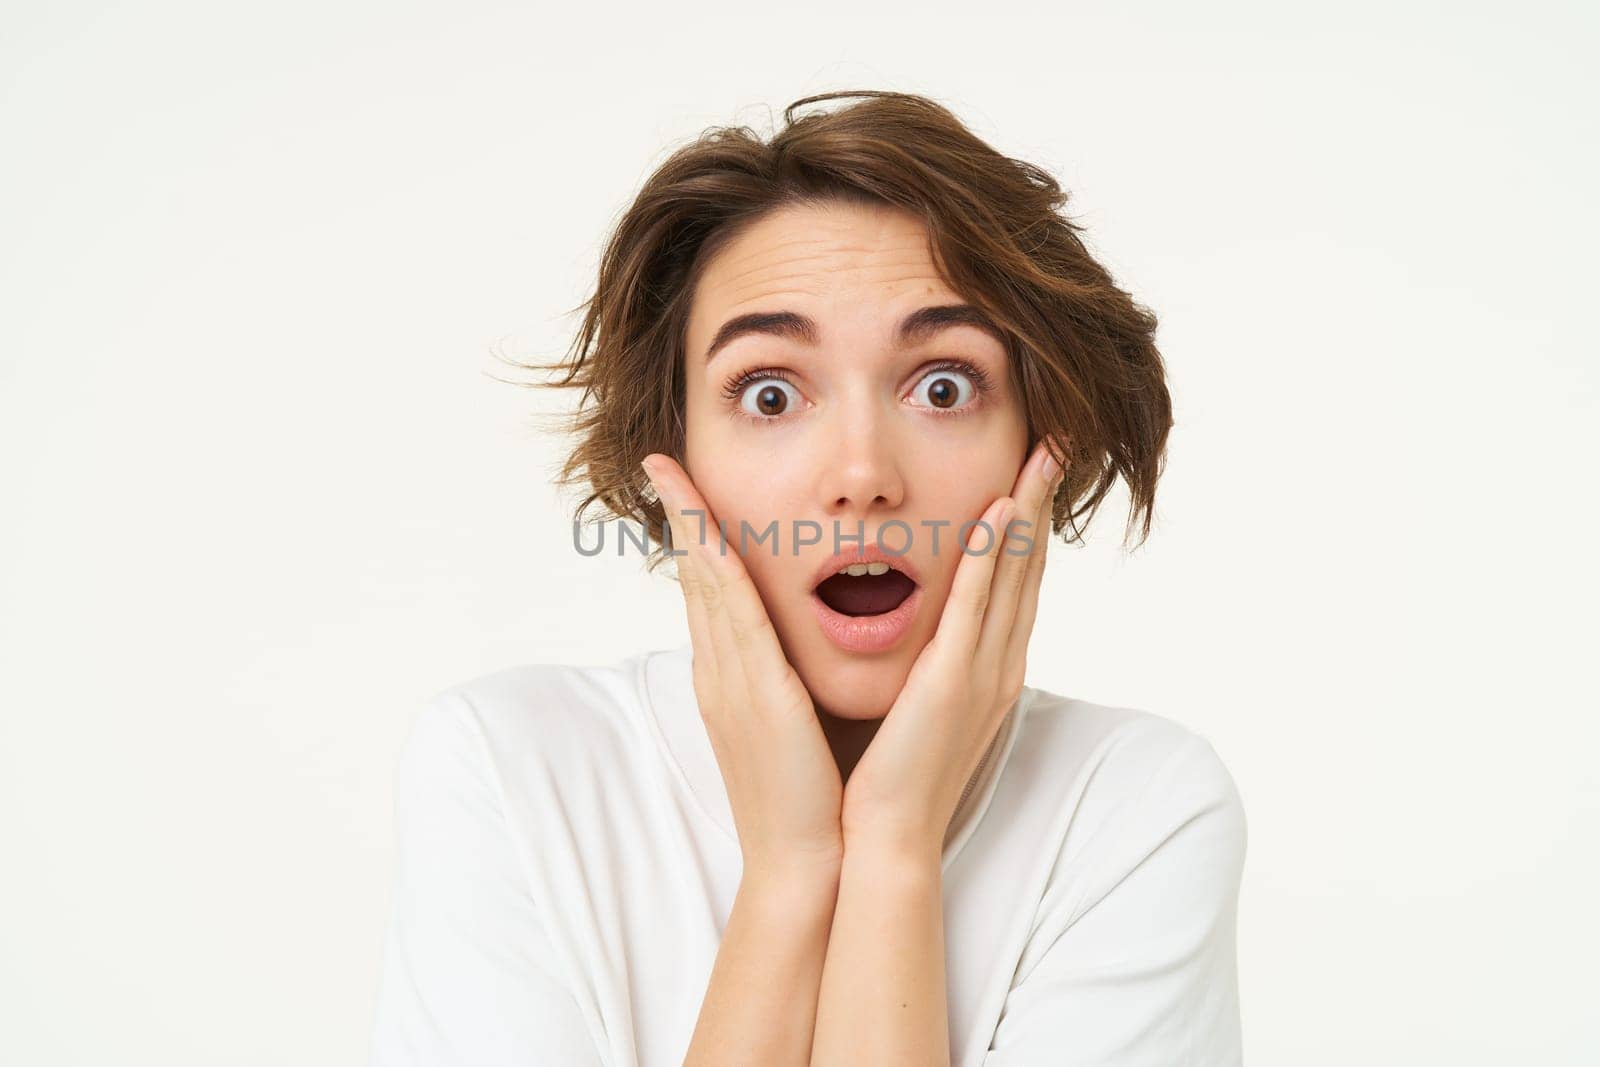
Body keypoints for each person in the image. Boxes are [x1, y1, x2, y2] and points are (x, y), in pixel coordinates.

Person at [367, 90, 1247, 1066]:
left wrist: (893, 844)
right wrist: (789, 873)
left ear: (1038, 445)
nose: (863, 475)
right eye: (772, 392)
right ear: (674, 457)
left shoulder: (1134, 805)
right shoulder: (510, 770)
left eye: (942, 386)